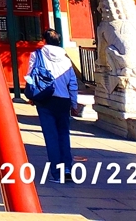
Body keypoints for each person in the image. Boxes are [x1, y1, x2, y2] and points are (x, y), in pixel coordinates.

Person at [25, 28, 80, 179]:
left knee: (51, 137)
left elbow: (30, 76)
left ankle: (56, 172)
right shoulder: (66, 59)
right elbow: (73, 83)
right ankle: (67, 168)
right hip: (64, 101)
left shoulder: (36, 55)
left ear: (44, 40)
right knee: (64, 135)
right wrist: (74, 104)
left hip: (45, 100)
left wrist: (32, 95)